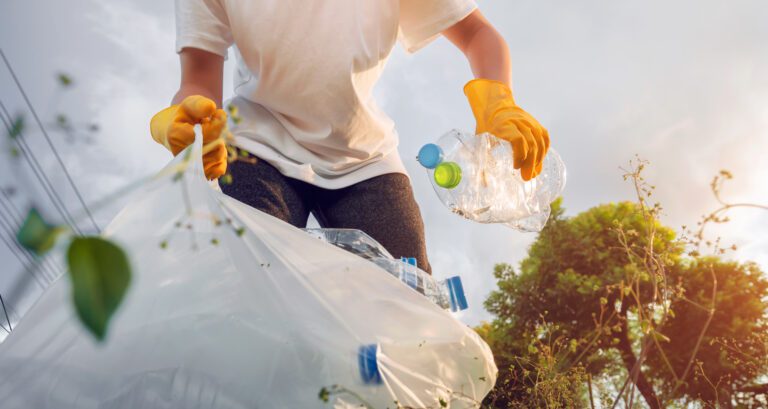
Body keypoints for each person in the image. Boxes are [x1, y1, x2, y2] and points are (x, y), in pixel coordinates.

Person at [150, 0, 549, 274]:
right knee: (257, 286)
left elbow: (478, 34)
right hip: (258, 145)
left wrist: (499, 102)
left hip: (364, 158)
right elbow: (200, 77)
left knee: (410, 302)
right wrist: (186, 119)